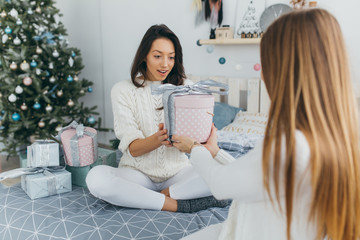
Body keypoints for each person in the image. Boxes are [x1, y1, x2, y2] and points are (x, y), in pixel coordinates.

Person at [172, 9, 360, 240]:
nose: (262, 75)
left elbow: (221, 185)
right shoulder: (336, 136)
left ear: (283, 70)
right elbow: (261, 177)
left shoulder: (289, 146)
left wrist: (195, 148)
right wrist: (216, 152)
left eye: (265, 64)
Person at [86, 24, 229, 212]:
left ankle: (161, 195)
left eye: (171, 57)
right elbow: (133, 150)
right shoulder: (123, 90)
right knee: (95, 177)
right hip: (136, 174)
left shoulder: (186, 87)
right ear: (144, 55)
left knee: (226, 174)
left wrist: (202, 138)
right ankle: (174, 204)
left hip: (179, 172)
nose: (165, 64)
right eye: (157, 56)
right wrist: (158, 139)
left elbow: (199, 142)